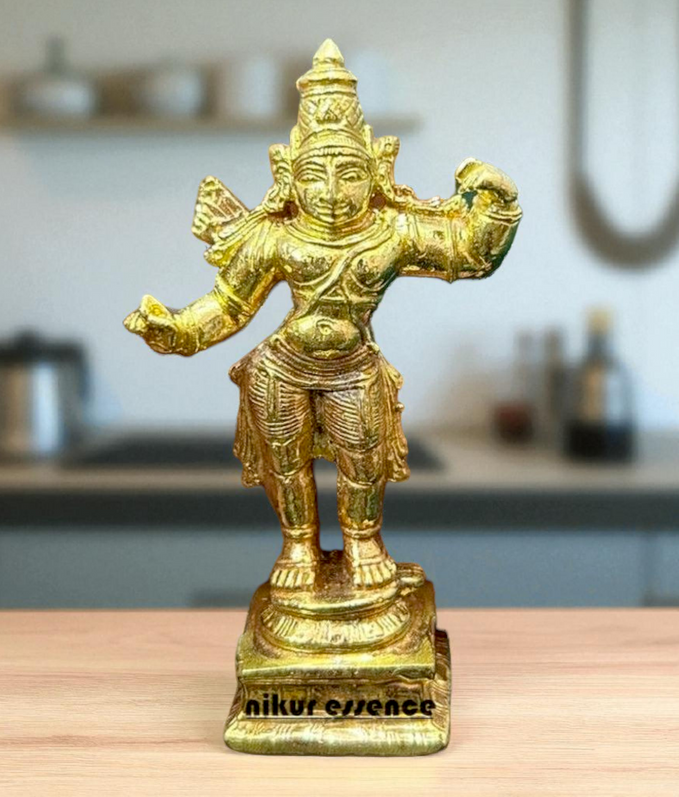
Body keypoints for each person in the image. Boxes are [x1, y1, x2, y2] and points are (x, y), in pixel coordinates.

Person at [125, 40, 522, 594]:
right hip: (282, 367)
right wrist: (179, 329)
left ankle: (363, 541)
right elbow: (229, 305)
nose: (332, 192)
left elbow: (469, 254)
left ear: (378, 169)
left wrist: (499, 203)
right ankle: (297, 544)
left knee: (363, 460)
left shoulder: (392, 232)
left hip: (353, 367)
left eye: (350, 173)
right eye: (315, 175)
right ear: (287, 174)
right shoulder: (275, 236)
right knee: (285, 462)